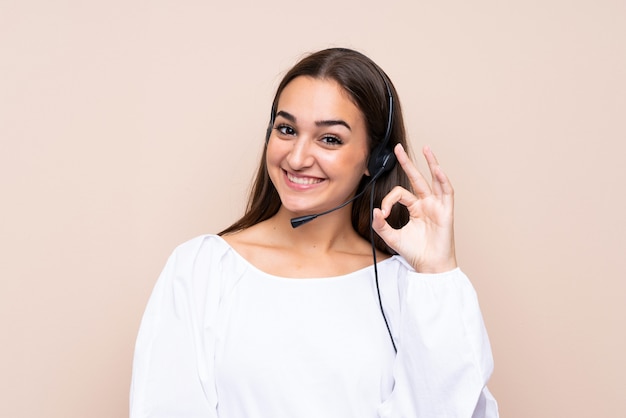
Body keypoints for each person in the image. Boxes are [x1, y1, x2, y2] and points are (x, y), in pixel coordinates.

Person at [130, 47, 499, 418]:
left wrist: (437, 273)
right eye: (286, 130)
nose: (296, 157)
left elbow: (450, 408)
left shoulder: (406, 287)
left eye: (329, 139)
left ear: (376, 160)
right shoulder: (202, 269)